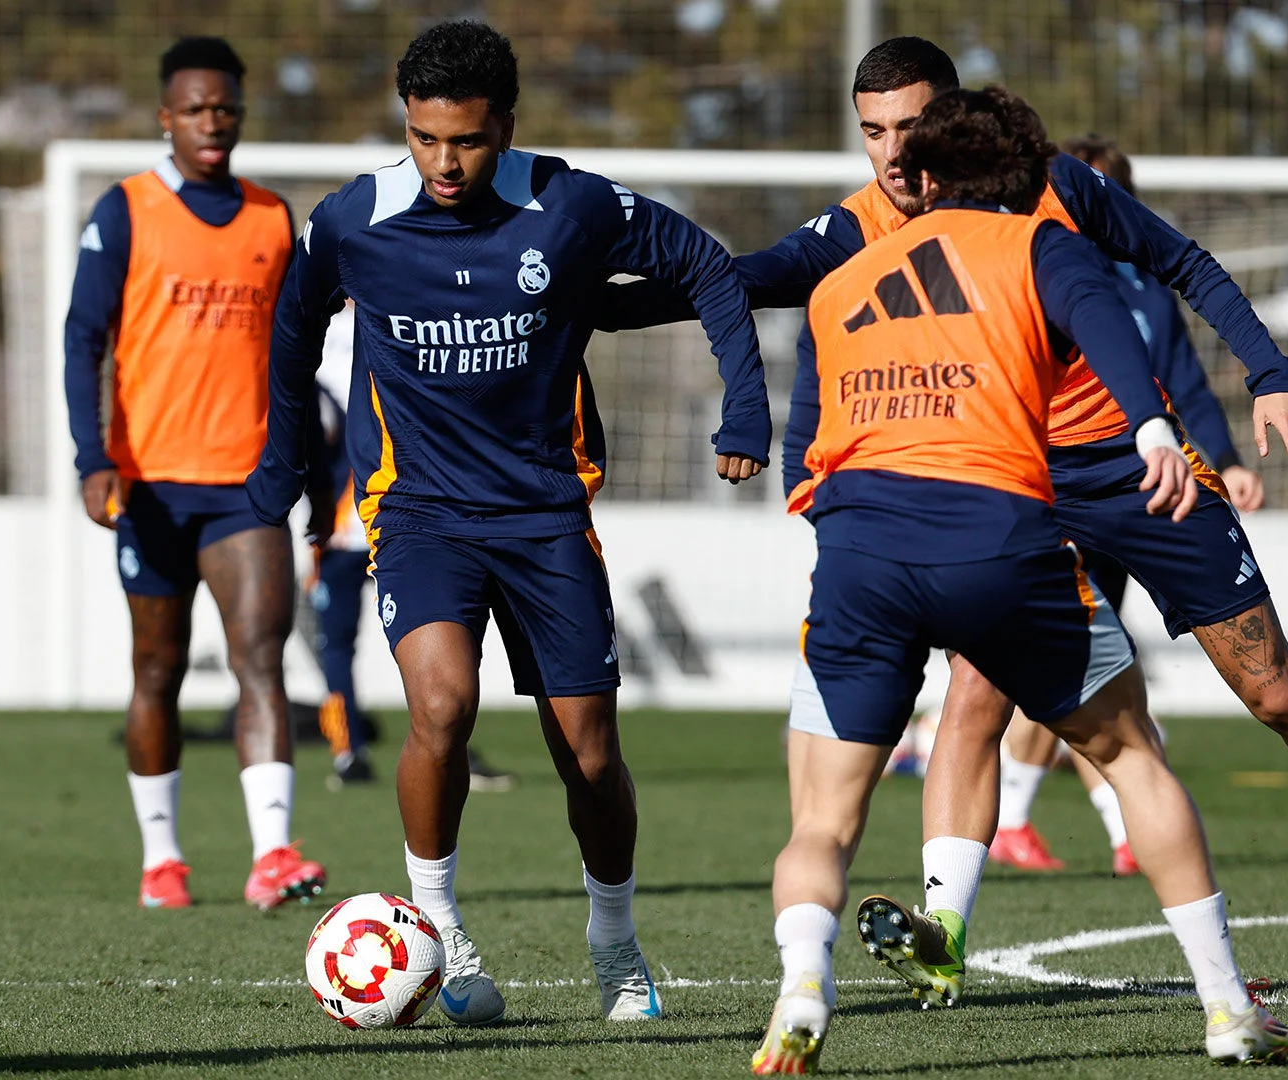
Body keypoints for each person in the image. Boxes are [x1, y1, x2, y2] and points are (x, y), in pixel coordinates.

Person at [613, 36, 1288, 979]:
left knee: (1276, 694)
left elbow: (1184, 263)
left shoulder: (1058, 190)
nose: (895, 154)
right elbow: (751, 277)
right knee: (975, 699)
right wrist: (593, 302)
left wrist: (1268, 375)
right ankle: (946, 937)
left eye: (914, 127)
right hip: (1006, 484)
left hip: (1137, 467)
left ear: (961, 122)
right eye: (874, 133)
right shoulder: (861, 225)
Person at [753, 86, 1288, 1073]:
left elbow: (806, 402)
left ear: (921, 177)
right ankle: (1228, 1010)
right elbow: (1122, 335)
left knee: (823, 820)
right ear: (1031, 175)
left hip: (862, 557)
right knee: (1133, 755)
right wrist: (1157, 430)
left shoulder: (843, 280)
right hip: (999, 543)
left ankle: (802, 987)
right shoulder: (1038, 247)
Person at [245, 21, 769, 1026]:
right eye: (425, 138)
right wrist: (284, 458)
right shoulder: (354, 220)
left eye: (468, 141)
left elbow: (707, 266)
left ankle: (613, 944)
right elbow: (293, 320)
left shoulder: (571, 204)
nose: (445, 163)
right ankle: (439, 930)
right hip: (419, 511)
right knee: (440, 707)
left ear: (507, 127)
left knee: (588, 750)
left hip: (543, 514)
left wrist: (745, 407)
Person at [64, 36, 325, 912]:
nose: (213, 121)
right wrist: (92, 457)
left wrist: (319, 474)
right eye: (196, 108)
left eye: (226, 107)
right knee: (157, 671)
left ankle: (274, 854)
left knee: (262, 658)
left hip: (246, 484)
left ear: (240, 115)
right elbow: (83, 340)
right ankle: (163, 859)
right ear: (165, 117)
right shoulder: (126, 209)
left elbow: (297, 359)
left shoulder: (272, 218)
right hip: (150, 483)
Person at [990, 134, 1262, 877]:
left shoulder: (1142, 290)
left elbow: (1184, 383)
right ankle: (1064, 823)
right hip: (1061, 491)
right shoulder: (1021, 270)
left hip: (1149, 489)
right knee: (1075, 660)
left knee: (1099, 664)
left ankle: (1084, 822)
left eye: (1110, 193)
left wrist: (1227, 460)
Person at [308, 332, 516, 795]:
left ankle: (350, 754)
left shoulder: (313, 332)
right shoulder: (404, 311)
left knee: (340, 646)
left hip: (360, 523)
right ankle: (448, 750)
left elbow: (311, 431)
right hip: (408, 519)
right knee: (452, 636)